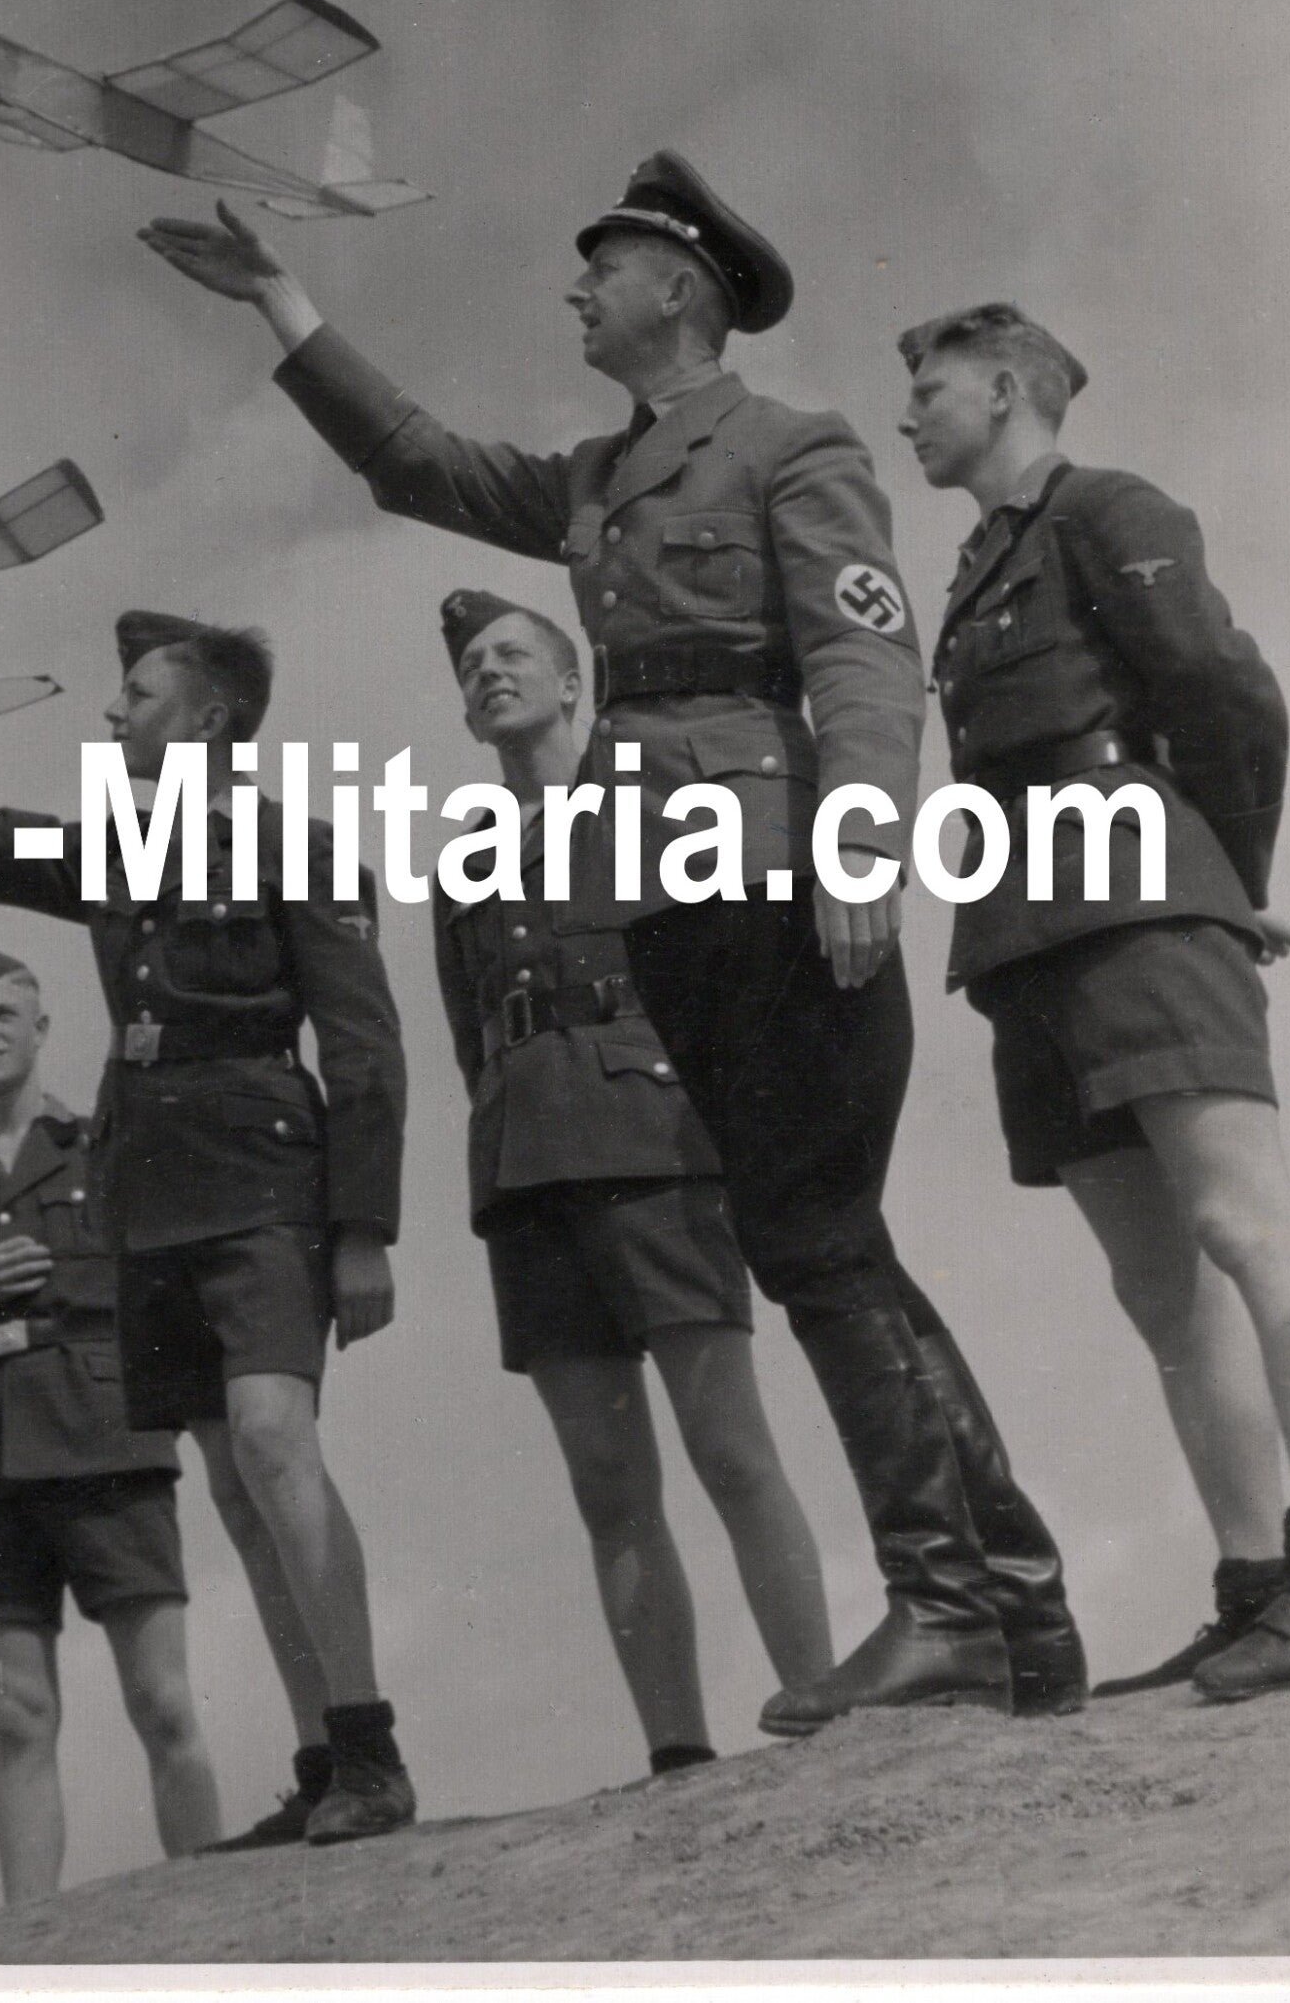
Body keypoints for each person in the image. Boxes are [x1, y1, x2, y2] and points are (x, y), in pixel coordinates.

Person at [141, 154, 1083, 1723]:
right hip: (667, 894)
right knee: (819, 1247)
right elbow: (420, 464)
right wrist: (282, 304)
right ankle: (1010, 1602)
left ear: (680, 291)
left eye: (605, 264)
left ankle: (953, 1600)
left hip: (771, 866)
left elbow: (859, 647)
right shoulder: (593, 477)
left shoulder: (791, 444)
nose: (576, 288)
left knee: (819, 1246)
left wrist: (857, 836)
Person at [0, 589, 417, 1844]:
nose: (110, 710)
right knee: (233, 1480)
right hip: (150, 1188)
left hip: (261, 1173)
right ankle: (323, 1767)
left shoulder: (299, 847)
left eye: (136, 695)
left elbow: (362, 1047)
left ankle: (371, 1746)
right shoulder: (117, 848)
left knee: (270, 1437)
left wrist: (363, 1229)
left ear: (207, 721)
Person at [895, 299, 1290, 1699]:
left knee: (1243, 1221)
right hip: (1024, 923)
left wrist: (1223, 876)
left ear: (1001, 388)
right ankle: (1248, 1585)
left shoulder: (1105, 507)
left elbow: (1225, 691)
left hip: (1134, 888)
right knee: (1153, 1283)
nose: (906, 414)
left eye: (927, 387)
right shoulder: (980, 560)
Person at [436, 584, 837, 1768]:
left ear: (573, 682)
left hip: (657, 1144)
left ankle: (819, 1702)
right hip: (527, 1165)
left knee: (726, 1445)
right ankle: (674, 1749)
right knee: (606, 1480)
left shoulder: (657, 804)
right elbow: (472, 1034)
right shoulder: (465, 863)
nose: (485, 672)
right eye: (469, 665)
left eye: (510, 653)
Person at [0, 945, 220, 1899]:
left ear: (40, 1027)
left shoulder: (101, 1145)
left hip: (107, 1435)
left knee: (160, 1701)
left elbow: (169, 1283)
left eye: (2, 1014)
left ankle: (215, 1911)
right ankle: (27, 1944)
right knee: (19, 1715)